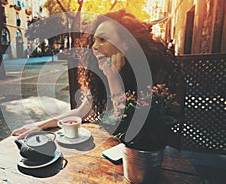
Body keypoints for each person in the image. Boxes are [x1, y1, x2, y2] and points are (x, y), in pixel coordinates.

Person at [11, 9, 182, 139]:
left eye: (103, 39)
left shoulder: (152, 72)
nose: (94, 46)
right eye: (94, 40)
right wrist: (40, 125)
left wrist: (113, 77)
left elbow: (130, 128)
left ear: (127, 44)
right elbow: (82, 110)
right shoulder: (102, 73)